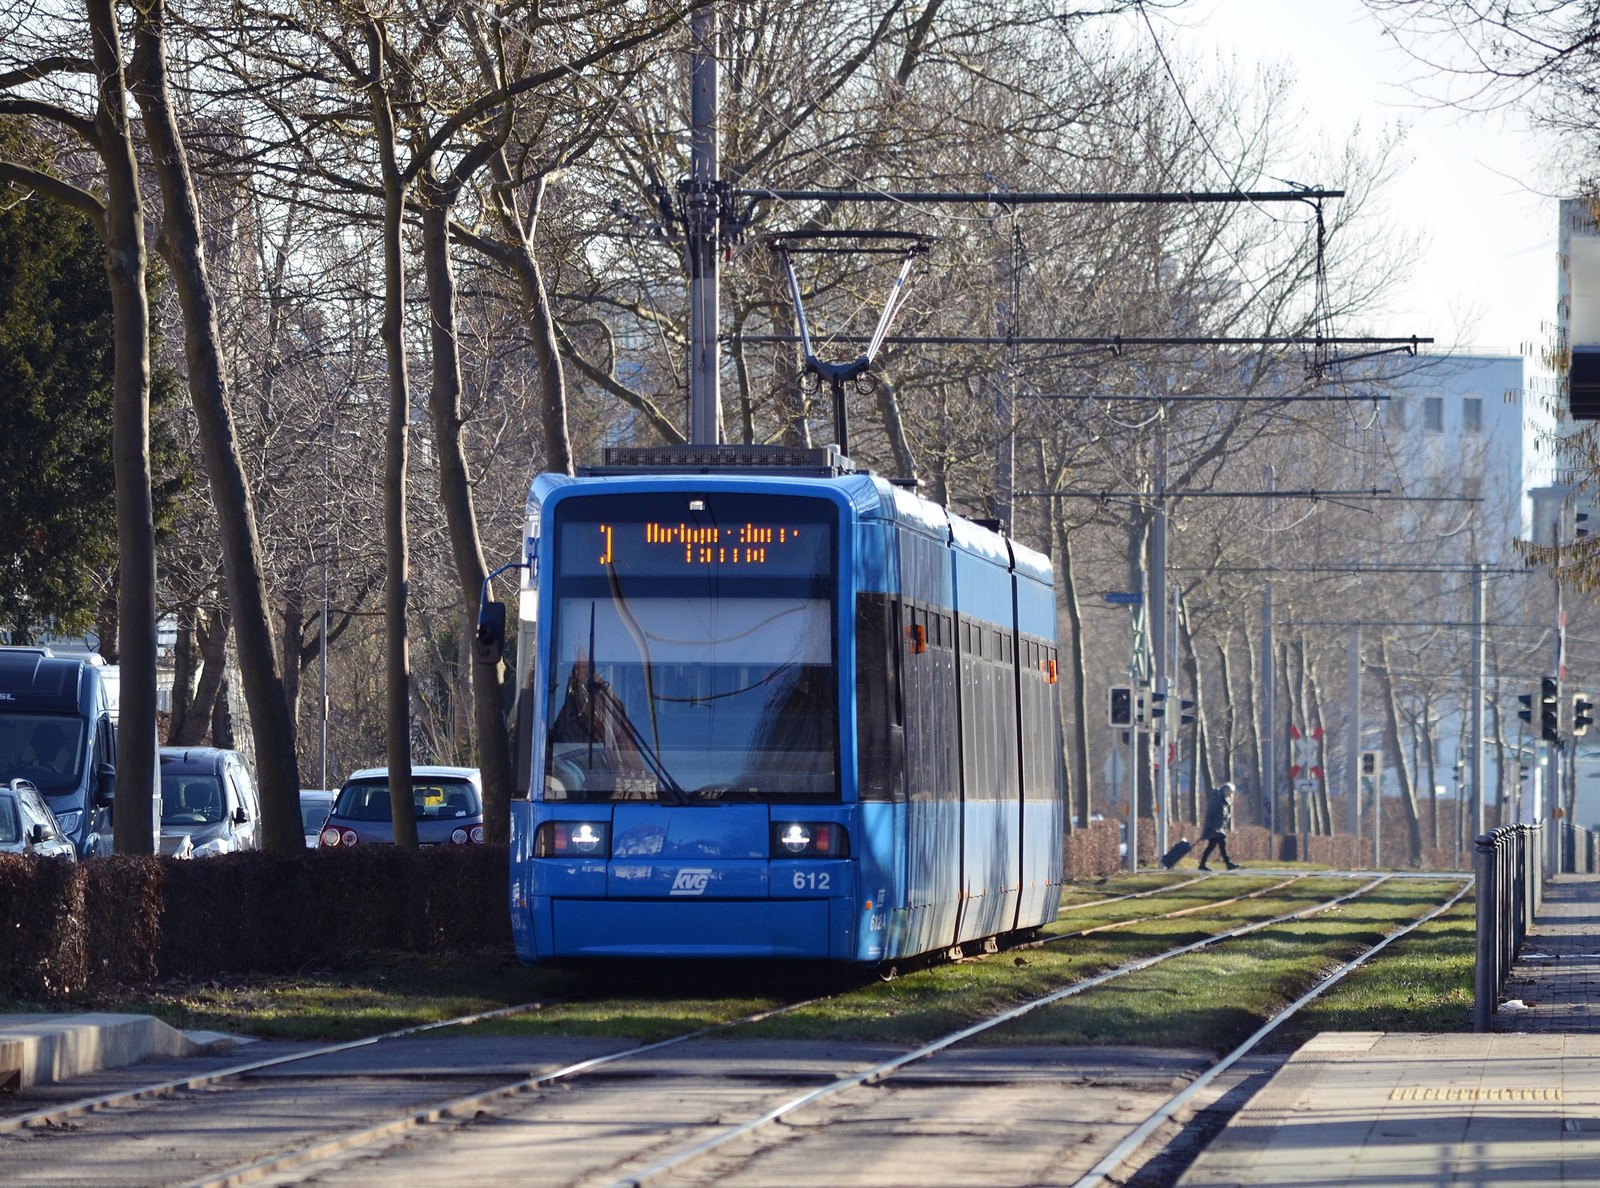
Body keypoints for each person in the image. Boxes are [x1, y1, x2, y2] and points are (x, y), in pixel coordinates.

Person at [1197, 781, 1240, 871]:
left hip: (1219, 828)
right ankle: (1228, 864)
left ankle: (1202, 864)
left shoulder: (1224, 801)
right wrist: (1208, 827)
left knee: (1212, 846)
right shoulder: (1216, 799)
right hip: (1214, 828)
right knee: (1221, 844)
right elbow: (1210, 813)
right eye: (1230, 792)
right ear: (1225, 790)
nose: (1230, 794)